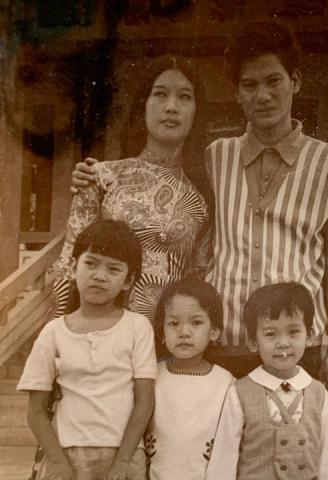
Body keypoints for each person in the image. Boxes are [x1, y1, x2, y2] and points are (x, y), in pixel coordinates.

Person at [72, 21, 328, 402]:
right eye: (250, 86)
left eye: (274, 81)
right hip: (224, 346)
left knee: (295, 454)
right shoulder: (214, 157)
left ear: (297, 81)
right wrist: (93, 175)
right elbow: (163, 180)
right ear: (237, 94)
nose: (264, 96)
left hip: (298, 343)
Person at [54, 54, 211, 323]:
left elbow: (195, 280)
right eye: (160, 94)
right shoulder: (102, 177)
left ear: (197, 112)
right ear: (143, 105)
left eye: (185, 97)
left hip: (161, 342)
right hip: (98, 338)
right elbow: (68, 265)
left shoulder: (201, 201)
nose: (171, 107)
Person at [18, 219, 157, 480]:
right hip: (66, 453)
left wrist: (124, 461)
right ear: (72, 267)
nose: (99, 275)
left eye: (113, 269)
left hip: (123, 453)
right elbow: (35, 411)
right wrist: (58, 462)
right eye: (90, 263)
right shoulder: (53, 332)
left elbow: (144, 400)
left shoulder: (137, 327)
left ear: (128, 281)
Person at [205, 282, 328, 480]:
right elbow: (224, 458)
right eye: (270, 334)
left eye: (294, 332)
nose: (283, 343)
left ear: (309, 336)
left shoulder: (318, 392)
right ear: (253, 342)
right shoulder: (239, 392)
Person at [144, 278, 234, 479]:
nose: (184, 332)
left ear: (214, 331)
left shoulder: (225, 382)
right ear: (162, 333)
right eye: (174, 323)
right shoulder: (151, 375)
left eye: (196, 322)